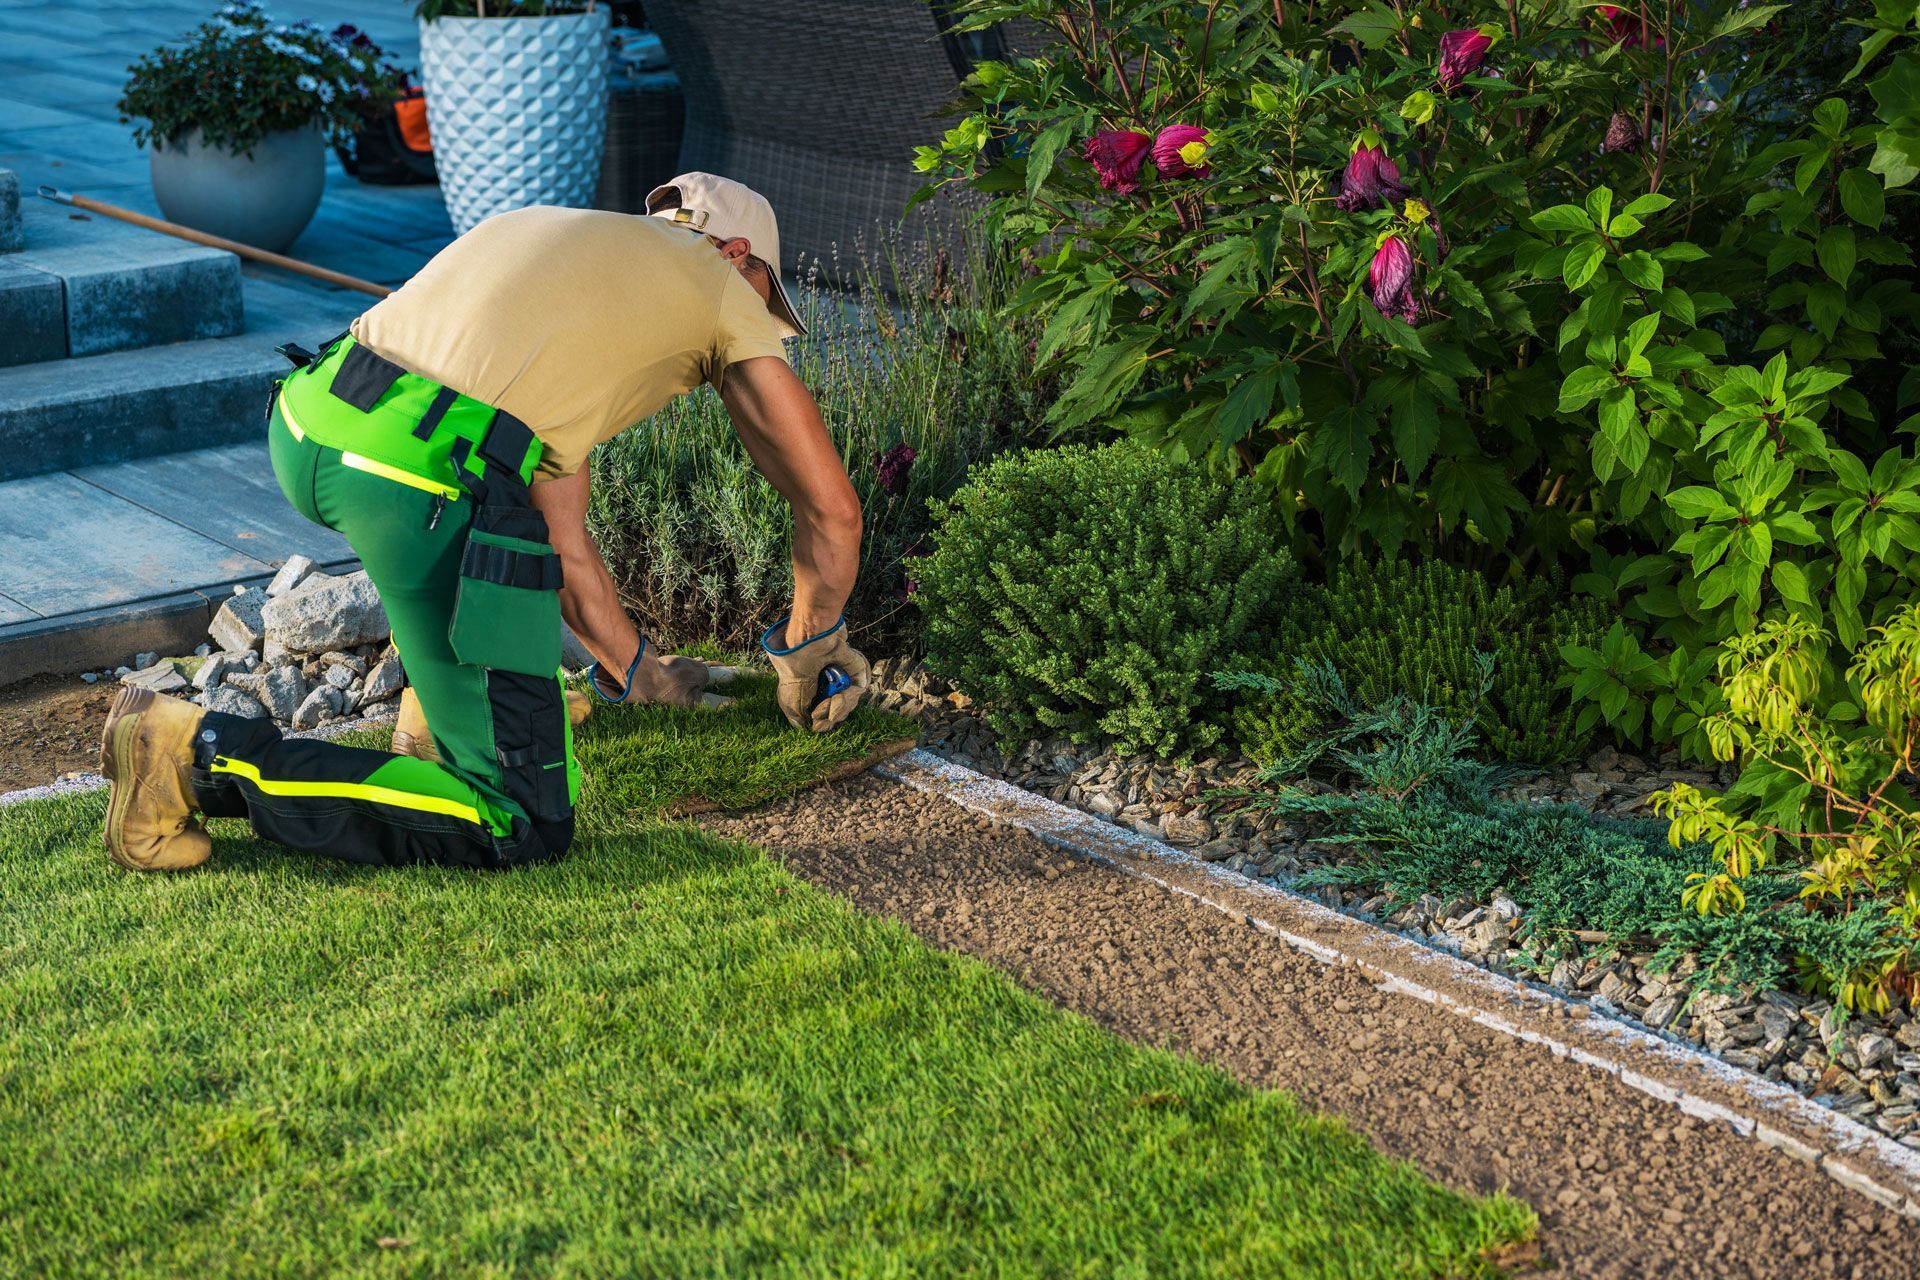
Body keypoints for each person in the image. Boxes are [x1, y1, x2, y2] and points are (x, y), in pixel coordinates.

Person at [98, 173, 870, 874]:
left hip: (309, 421)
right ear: (737, 253)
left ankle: (430, 721)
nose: (765, 323)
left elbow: (559, 546)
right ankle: (191, 756)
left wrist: (644, 676)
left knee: (499, 539)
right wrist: (810, 650)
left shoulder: (574, 257)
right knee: (522, 822)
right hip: (410, 477)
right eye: (768, 299)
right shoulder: (720, 285)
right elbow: (830, 510)